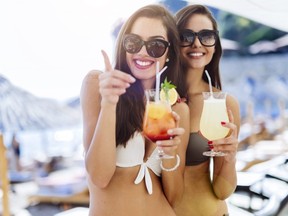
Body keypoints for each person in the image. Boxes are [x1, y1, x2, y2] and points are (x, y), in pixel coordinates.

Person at [80, 4, 190, 216]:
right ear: (123, 45)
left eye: (156, 45)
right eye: (133, 42)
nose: (142, 51)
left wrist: (169, 154)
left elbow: (175, 197)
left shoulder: (177, 109)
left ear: (169, 53)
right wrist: (109, 104)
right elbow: (99, 177)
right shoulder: (98, 84)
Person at [174, 5, 241, 216]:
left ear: (215, 43)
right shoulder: (154, 98)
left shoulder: (224, 103)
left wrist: (230, 159)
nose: (197, 43)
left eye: (206, 36)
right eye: (186, 36)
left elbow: (222, 191)